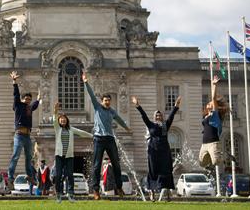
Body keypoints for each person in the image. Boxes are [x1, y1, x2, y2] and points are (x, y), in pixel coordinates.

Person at [82, 72, 130, 200]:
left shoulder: (112, 111)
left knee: (116, 164)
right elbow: (92, 95)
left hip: (110, 139)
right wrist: (86, 82)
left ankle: (119, 187)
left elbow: (119, 119)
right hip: (98, 139)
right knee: (96, 165)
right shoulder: (97, 107)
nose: (107, 102)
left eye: (109, 101)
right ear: (102, 101)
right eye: (105, 101)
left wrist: (126, 128)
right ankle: (96, 191)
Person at [131, 95, 181, 201]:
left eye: (160, 116)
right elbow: (143, 116)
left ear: (162, 117)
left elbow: (171, 116)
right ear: (154, 117)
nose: (158, 117)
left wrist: (176, 106)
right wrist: (138, 105)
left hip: (164, 150)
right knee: (153, 171)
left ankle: (167, 194)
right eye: (156, 116)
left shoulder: (165, 125)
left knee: (166, 171)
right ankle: (152, 192)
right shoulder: (150, 125)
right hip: (153, 150)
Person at [53, 101, 92, 202]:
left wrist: (92, 136)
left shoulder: (71, 129)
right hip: (59, 156)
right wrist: (55, 111)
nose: (62, 121)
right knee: (58, 176)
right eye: (61, 119)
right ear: (59, 121)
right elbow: (54, 120)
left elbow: (81, 133)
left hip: (69, 156)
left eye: (64, 119)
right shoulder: (57, 129)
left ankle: (70, 194)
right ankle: (58, 194)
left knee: (70, 175)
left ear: (67, 121)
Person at [7, 71, 41, 188]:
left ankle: (30, 176)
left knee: (29, 158)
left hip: (27, 136)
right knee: (15, 156)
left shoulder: (30, 108)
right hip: (19, 135)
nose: (27, 100)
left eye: (29, 99)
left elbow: (35, 105)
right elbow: (16, 95)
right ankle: (10, 177)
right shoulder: (18, 105)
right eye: (26, 99)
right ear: (22, 99)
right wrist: (14, 82)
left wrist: (39, 97)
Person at [199, 76, 229, 170]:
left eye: (211, 103)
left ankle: (226, 156)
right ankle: (217, 156)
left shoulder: (215, 114)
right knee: (202, 163)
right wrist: (212, 84)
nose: (208, 103)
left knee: (216, 162)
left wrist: (214, 85)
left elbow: (213, 97)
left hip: (213, 143)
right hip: (204, 144)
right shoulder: (205, 116)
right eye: (208, 103)